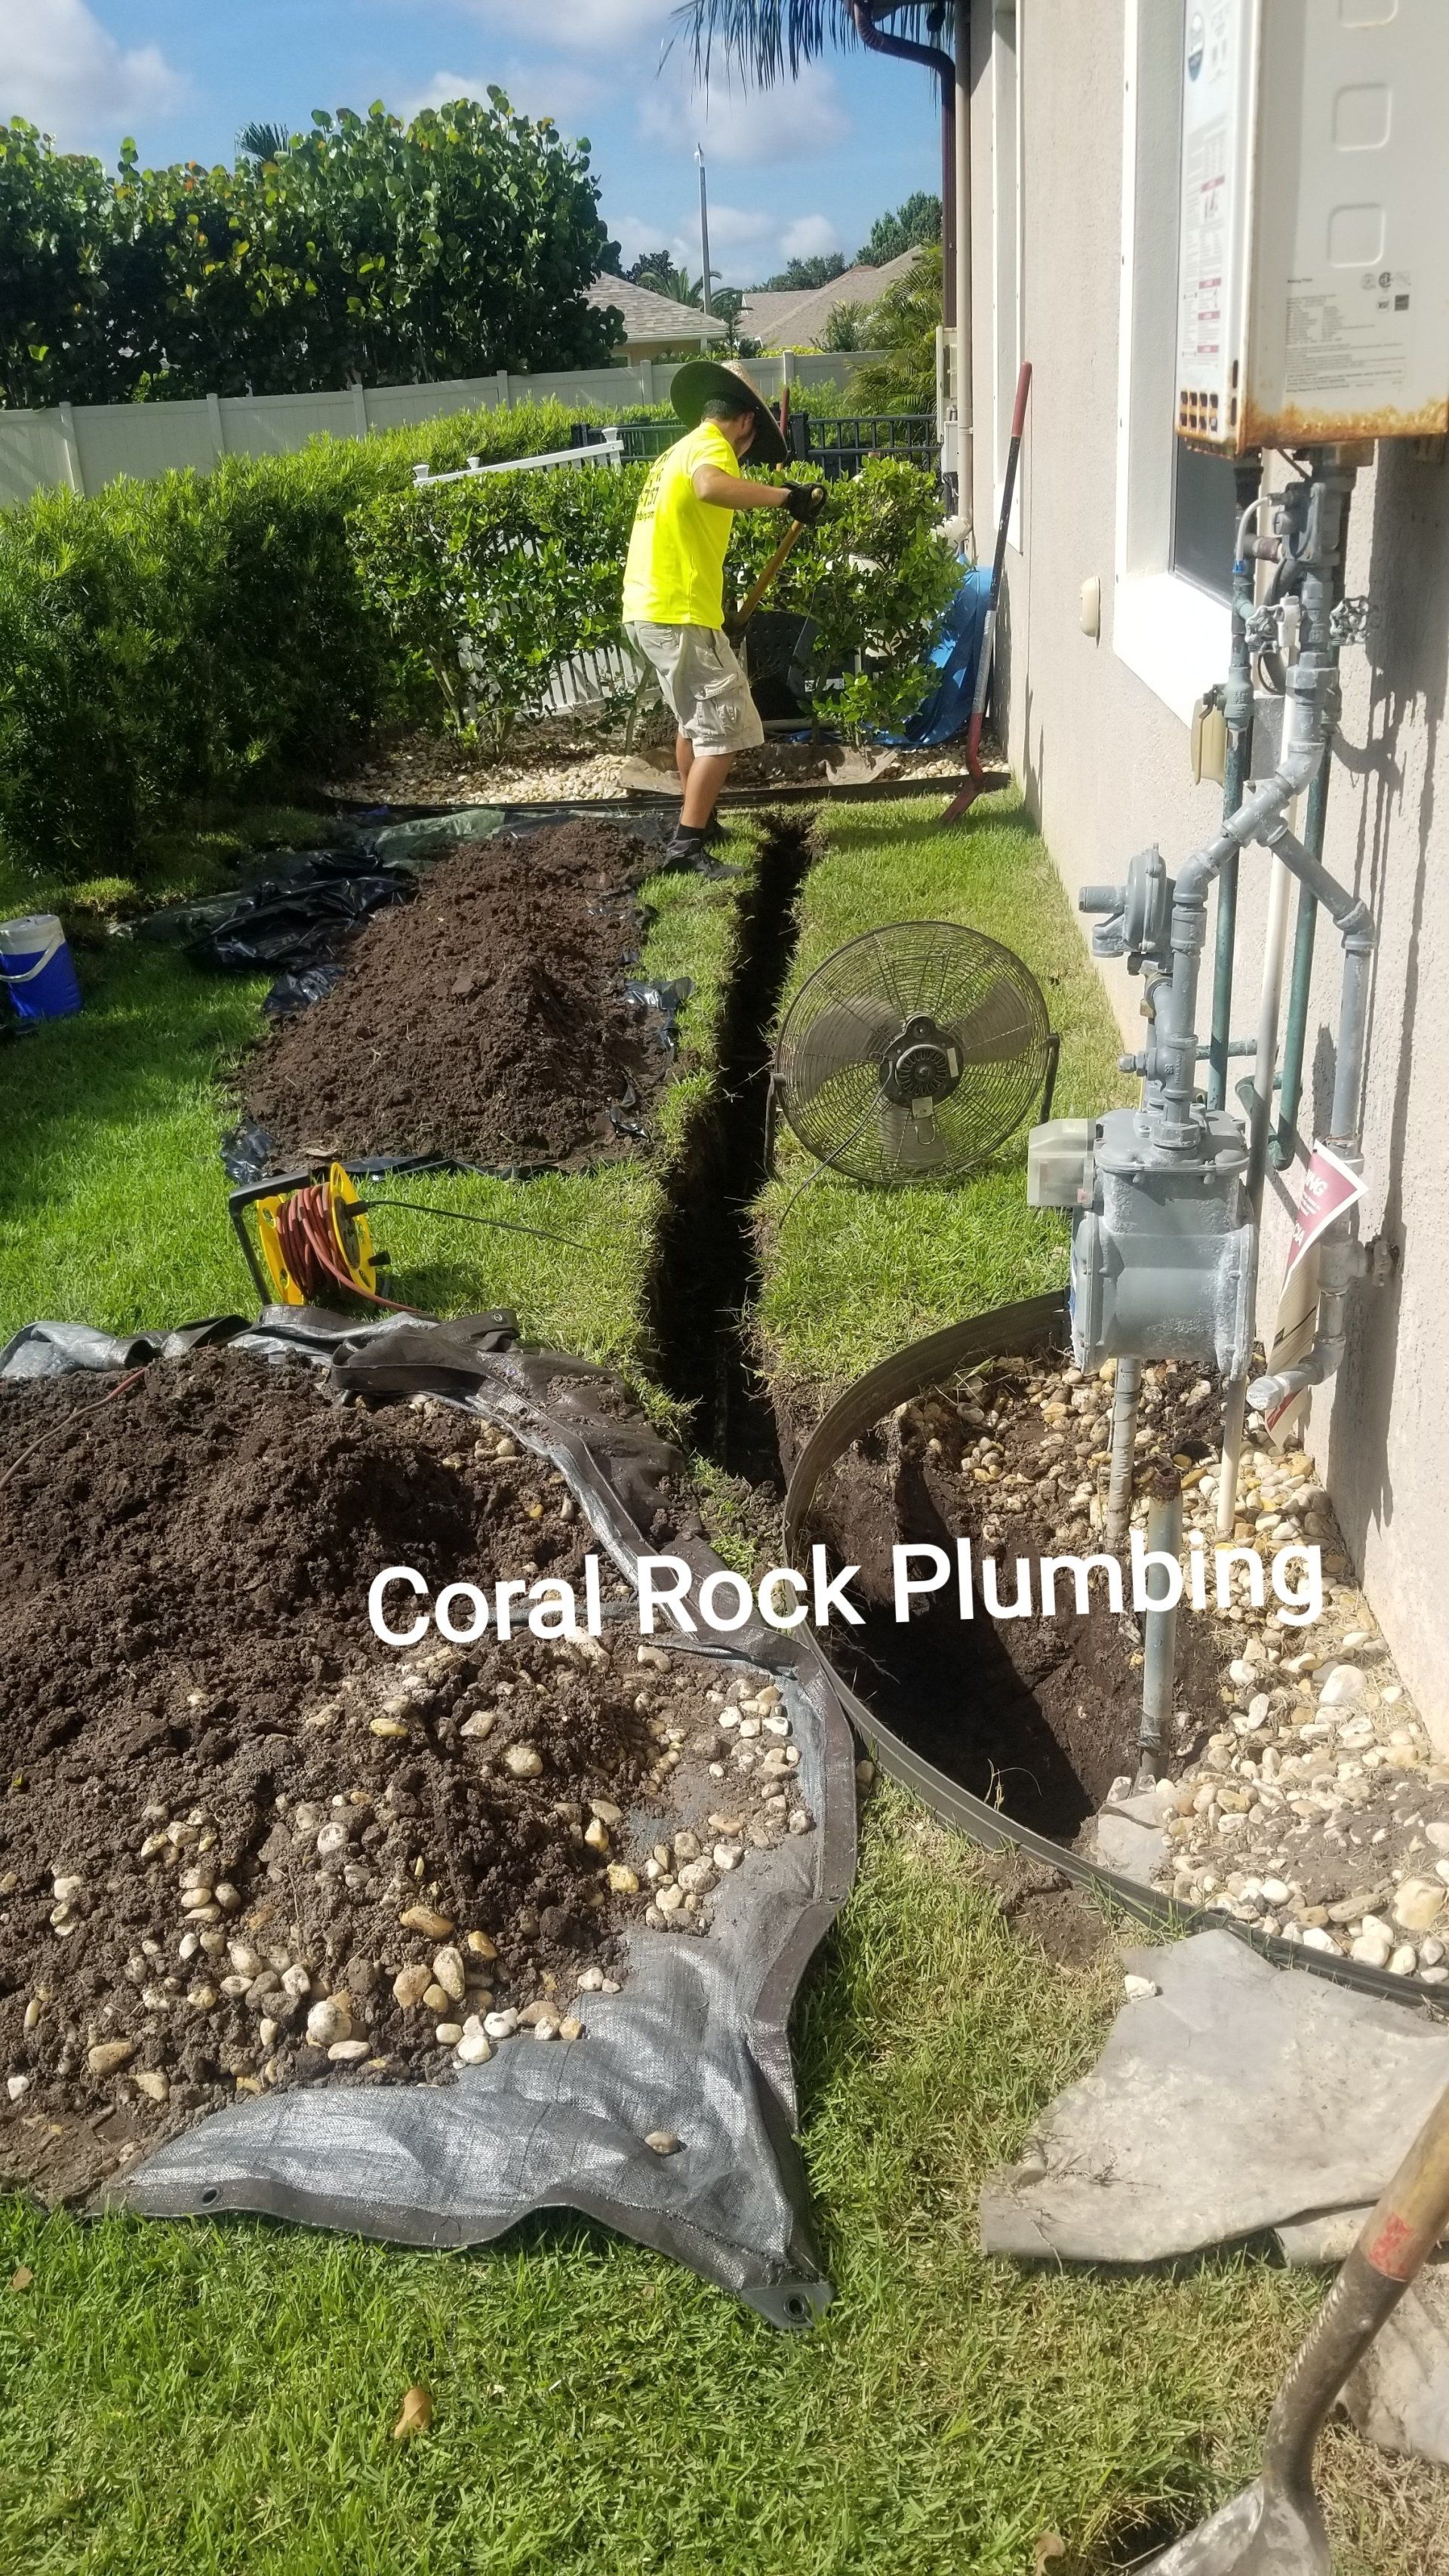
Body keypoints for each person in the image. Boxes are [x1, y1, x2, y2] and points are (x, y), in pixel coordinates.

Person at [623, 359, 826, 869]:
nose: (743, 457)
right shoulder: (712, 446)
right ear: (745, 422)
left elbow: (683, 532)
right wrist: (788, 497)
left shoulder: (677, 451)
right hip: (676, 612)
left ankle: (702, 820)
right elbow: (712, 487)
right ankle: (686, 846)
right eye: (747, 447)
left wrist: (718, 614)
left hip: (653, 610)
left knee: (696, 725)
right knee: (728, 724)